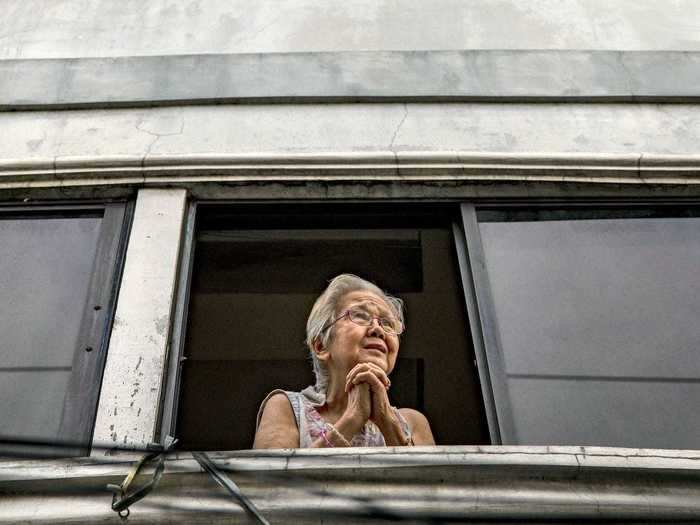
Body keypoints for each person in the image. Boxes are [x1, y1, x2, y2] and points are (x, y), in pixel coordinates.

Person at [254, 274, 435, 448]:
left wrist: (387, 421)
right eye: (359, 315)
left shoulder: (413, 422)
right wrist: (353, 418)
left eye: (387, 323)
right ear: (321, 346)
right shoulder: (287, 408)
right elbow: (269, 479)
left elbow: (436, 479)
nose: (378, 330)